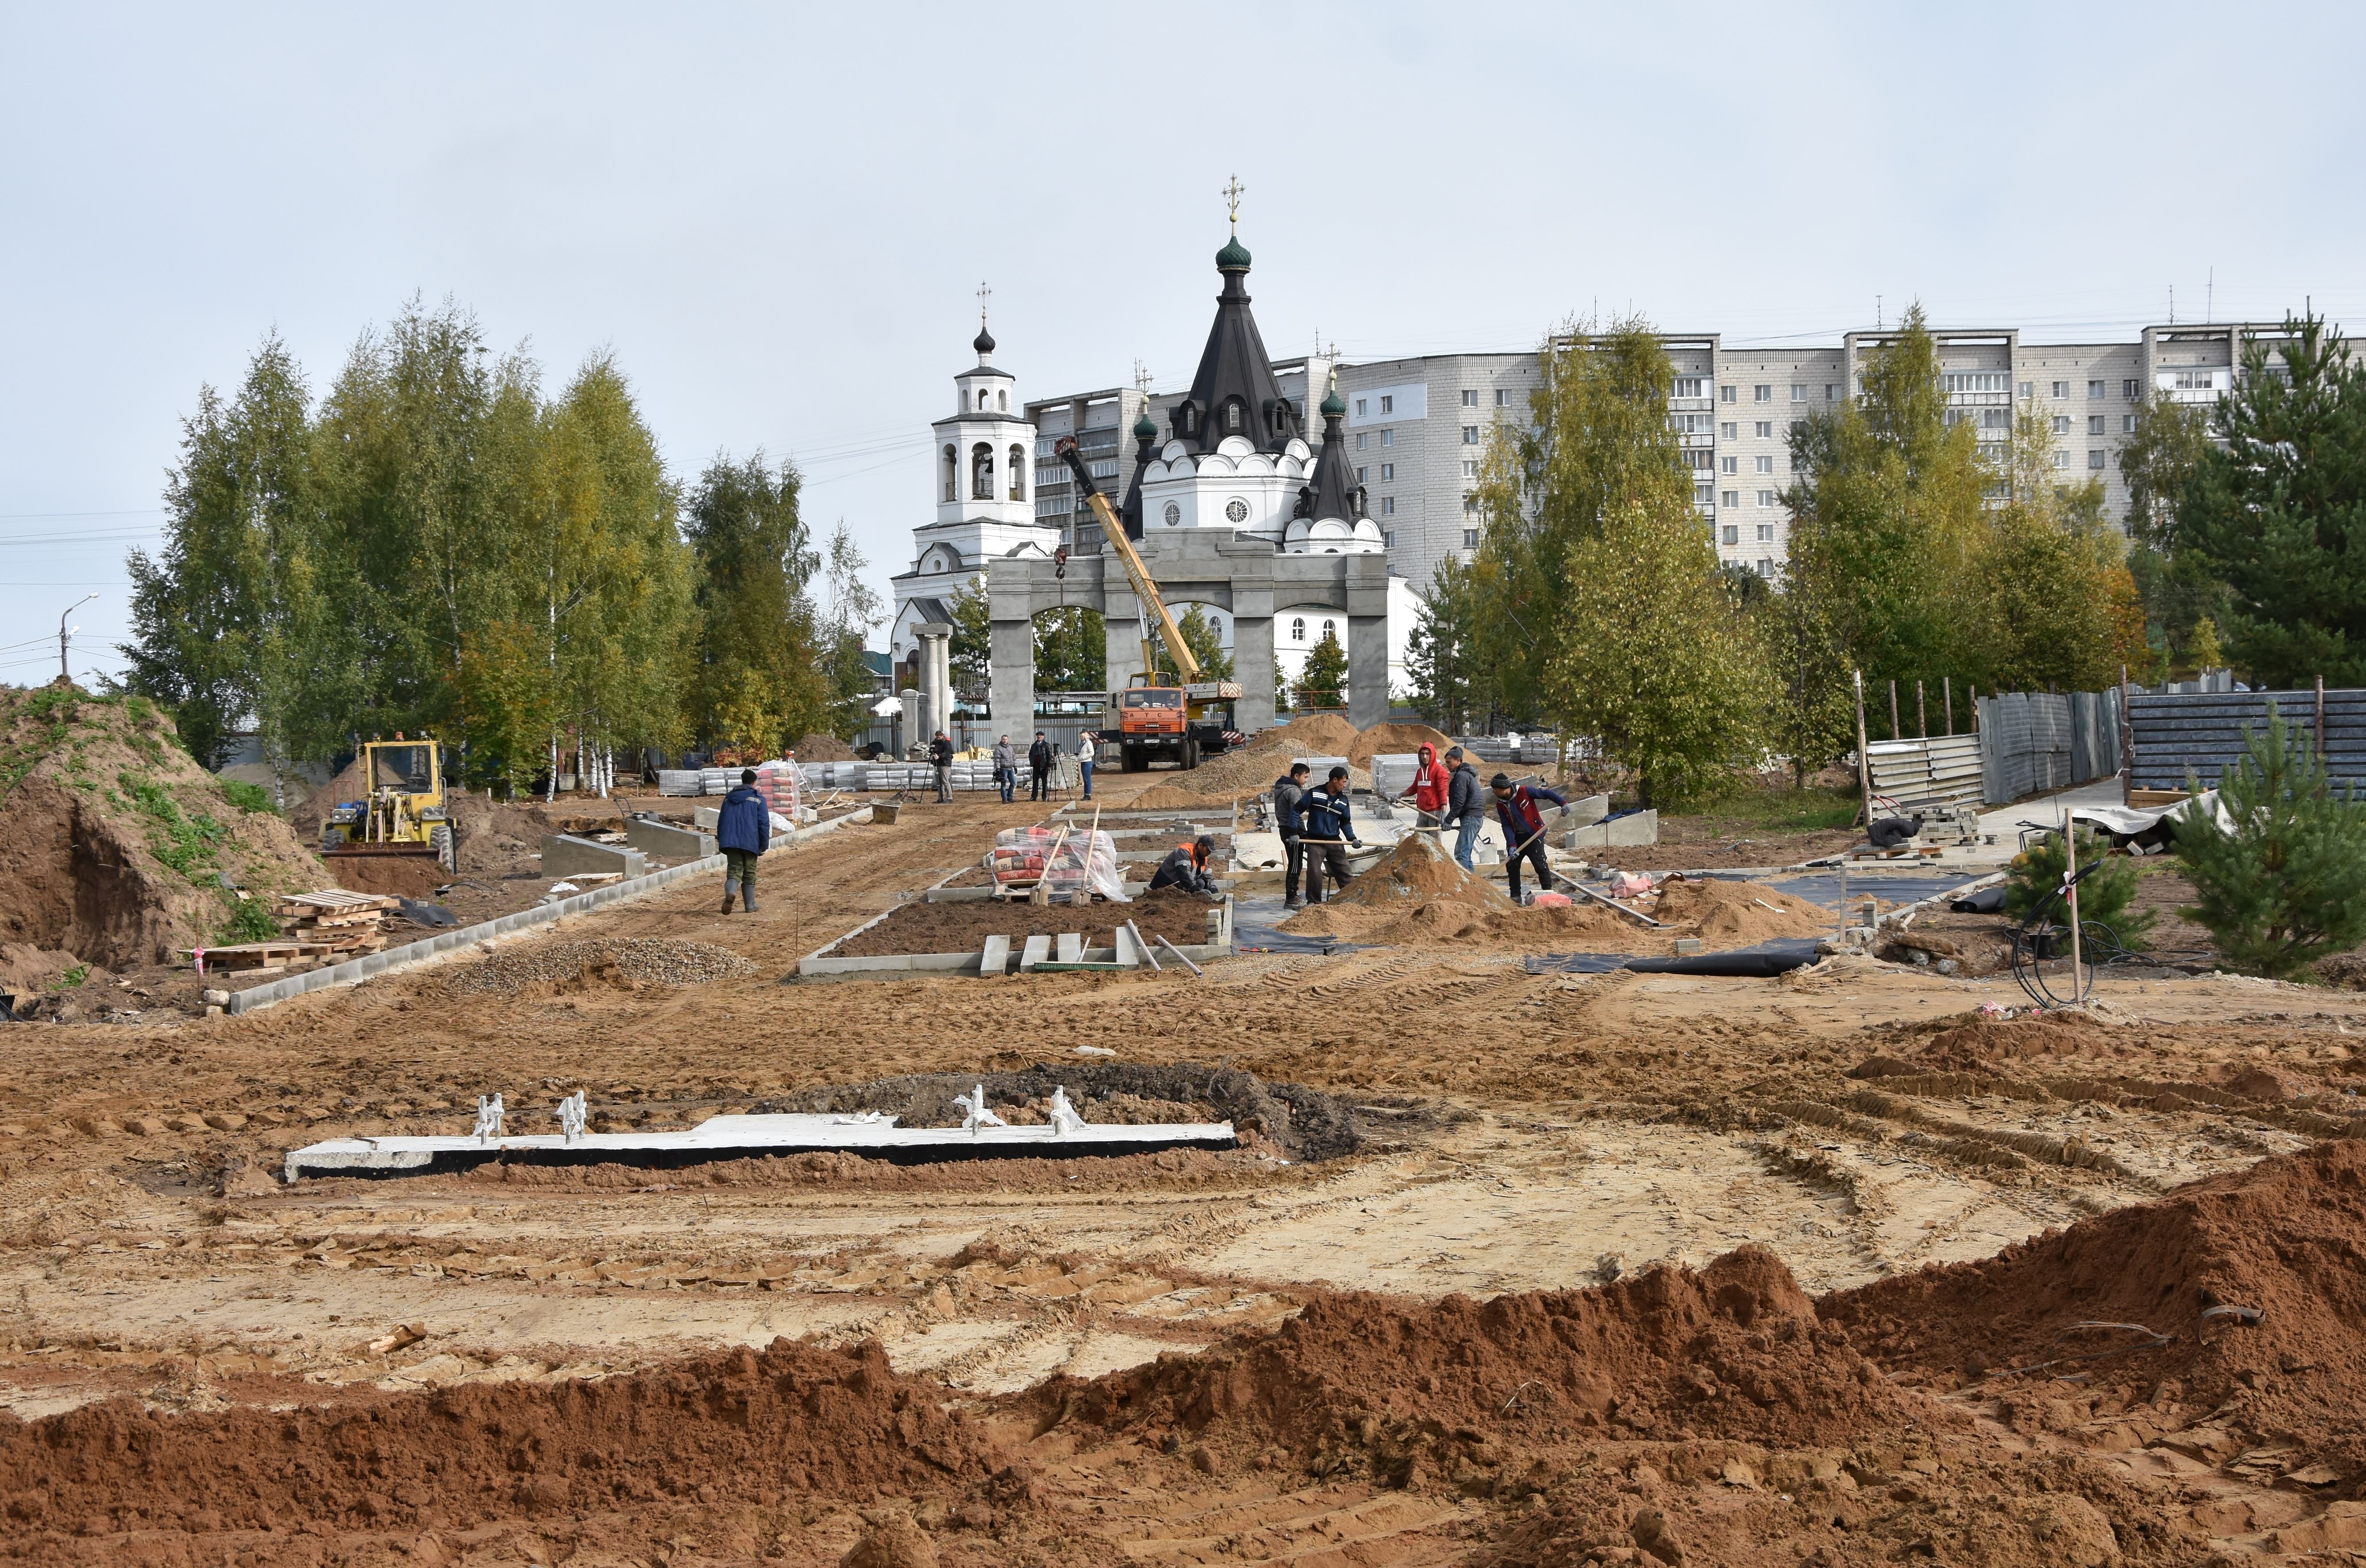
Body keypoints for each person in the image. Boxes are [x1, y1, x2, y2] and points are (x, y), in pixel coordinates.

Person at [1490, 772, 1567, 901]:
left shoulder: (1524, 791)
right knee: (1512, 865)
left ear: (1504, 789)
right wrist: (1512, 845)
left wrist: (1563, 804)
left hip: (1534, 834)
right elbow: (1506, 825)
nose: (1493, 792)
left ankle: (1548, 893)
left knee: (1540, 864)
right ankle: (1515, 896)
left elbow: (1546, 794)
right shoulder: (1501, 805)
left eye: (1495, 789)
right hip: (1517, 838)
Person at [1300, 765, 1362, 901]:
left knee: (1345, 871)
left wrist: (1353, 839)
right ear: (1335, 780)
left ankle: (1351, 900)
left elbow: (1345, 823)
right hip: (1315, 841)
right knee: (1314, 872)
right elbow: (1296, 811)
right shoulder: (1314, 793)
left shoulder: (1343, 801)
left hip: (1334, 841)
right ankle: (1314, 903)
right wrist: (1294, 832)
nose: (1345, 785)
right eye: (1343, 782)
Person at [715, 767, 772, 914]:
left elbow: (721, 821)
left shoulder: (729, 798)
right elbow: (764, 824)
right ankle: (750, 905)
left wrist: (722, 840)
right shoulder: (758, 799)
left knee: (734, 872)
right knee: (750, 873)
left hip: (731, 841)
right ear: (754, 782)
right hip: (751, 842)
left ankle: (731, 893)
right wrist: (764, 845)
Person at [1272, 760, 1312, 909]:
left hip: (1285, 829)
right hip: (1292, 832)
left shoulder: (1282, 788)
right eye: (1305, 777)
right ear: (1296, 776)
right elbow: (1297, 814)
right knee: (1296, 864)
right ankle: (1291, 898)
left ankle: (1293, 895)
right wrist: (1302, 834)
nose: (1306, 781)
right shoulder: (1293, 791)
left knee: (1296, 863)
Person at [1442, 746, 1485, 871]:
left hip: (1471, 817)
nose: (1447, 766)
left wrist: (1448, 821)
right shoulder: (1466, 775)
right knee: (1466, 855)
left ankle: (1466, 885)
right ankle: (1473, 885)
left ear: (1458, 761)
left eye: (1449, 763)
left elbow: (1460, 802)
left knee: (1461, 854)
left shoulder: (1462, 776)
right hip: (1474, 817)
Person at [1149, 834, 1221, 897]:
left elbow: (1207, 877)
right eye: (1208, 850)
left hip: (1180, 883)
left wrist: (1213, 889)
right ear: (1200, 845)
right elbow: (1184, 874)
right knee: (1198, 887)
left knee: (1201, 883)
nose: (1209, 853)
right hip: (1165, 885)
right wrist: (1196, 890)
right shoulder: (1184, 851)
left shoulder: (1203, 857)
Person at [1411, 742, 1450, 827]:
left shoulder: (1439, 771)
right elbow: (1414, 788)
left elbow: (1443, 792)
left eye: (1427, 754)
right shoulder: (1420, 772)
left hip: (1434, 813)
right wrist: (1401, 795)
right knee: (1419, 838)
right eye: (1422, 754)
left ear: (1432, 754)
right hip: (1422, 812)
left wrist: (1444, 812)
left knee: (1434, 839)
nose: (1425, 757)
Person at [992, 734, 1017, 804]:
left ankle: (1010, 798)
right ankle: (1005, 799)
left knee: (1013, 783)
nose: (1005, 741)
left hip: (1010, 769)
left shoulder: (1010, 748)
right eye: (1004, 739)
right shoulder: (998, 748)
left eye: (1006, 739)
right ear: (1001, 740)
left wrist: (1015, 767)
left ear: (1008, 740)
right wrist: (998, 770)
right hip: (1003, 769)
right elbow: (997, 760)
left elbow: (1014, 758)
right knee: (1004, 784)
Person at [1028, 731, 1053, 801]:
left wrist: (1049, 765)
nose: (1039, 737)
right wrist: (1032, 762)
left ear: (1043, 737)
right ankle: (1034, 797)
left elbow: (1050, 756)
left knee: (1044, 782)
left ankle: (1044, 797)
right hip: (1036, 766)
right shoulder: (1034, 745)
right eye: (1038, 736)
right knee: (1035, 782)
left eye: (1041, 736)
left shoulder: (1047, 745)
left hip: (1044, 766)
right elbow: (1031, 754)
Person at [930, 730, 954, 802]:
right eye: (937, 738)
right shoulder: (937, 742)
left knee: (945, 781)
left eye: (939, 738)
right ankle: (941, 798)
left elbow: (947, 753)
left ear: (943, 736)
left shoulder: (947, 744)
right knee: (940, 782)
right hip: (939, 764)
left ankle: (950, 798)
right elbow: (933, 744)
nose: (938, 739)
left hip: (945, 764)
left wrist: (939, 756)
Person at [1075, 730, 1096, 800]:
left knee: (1087, 779)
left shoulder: (1089, 743)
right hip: (1083, 762)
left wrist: (1083, 757)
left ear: (1084, 736)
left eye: (1081, 736)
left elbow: (1092, 753)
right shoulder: (1082, 743)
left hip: (1087, 762)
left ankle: (1088, 795)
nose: (1080, 738)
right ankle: (1086, 794)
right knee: (1085, 779)